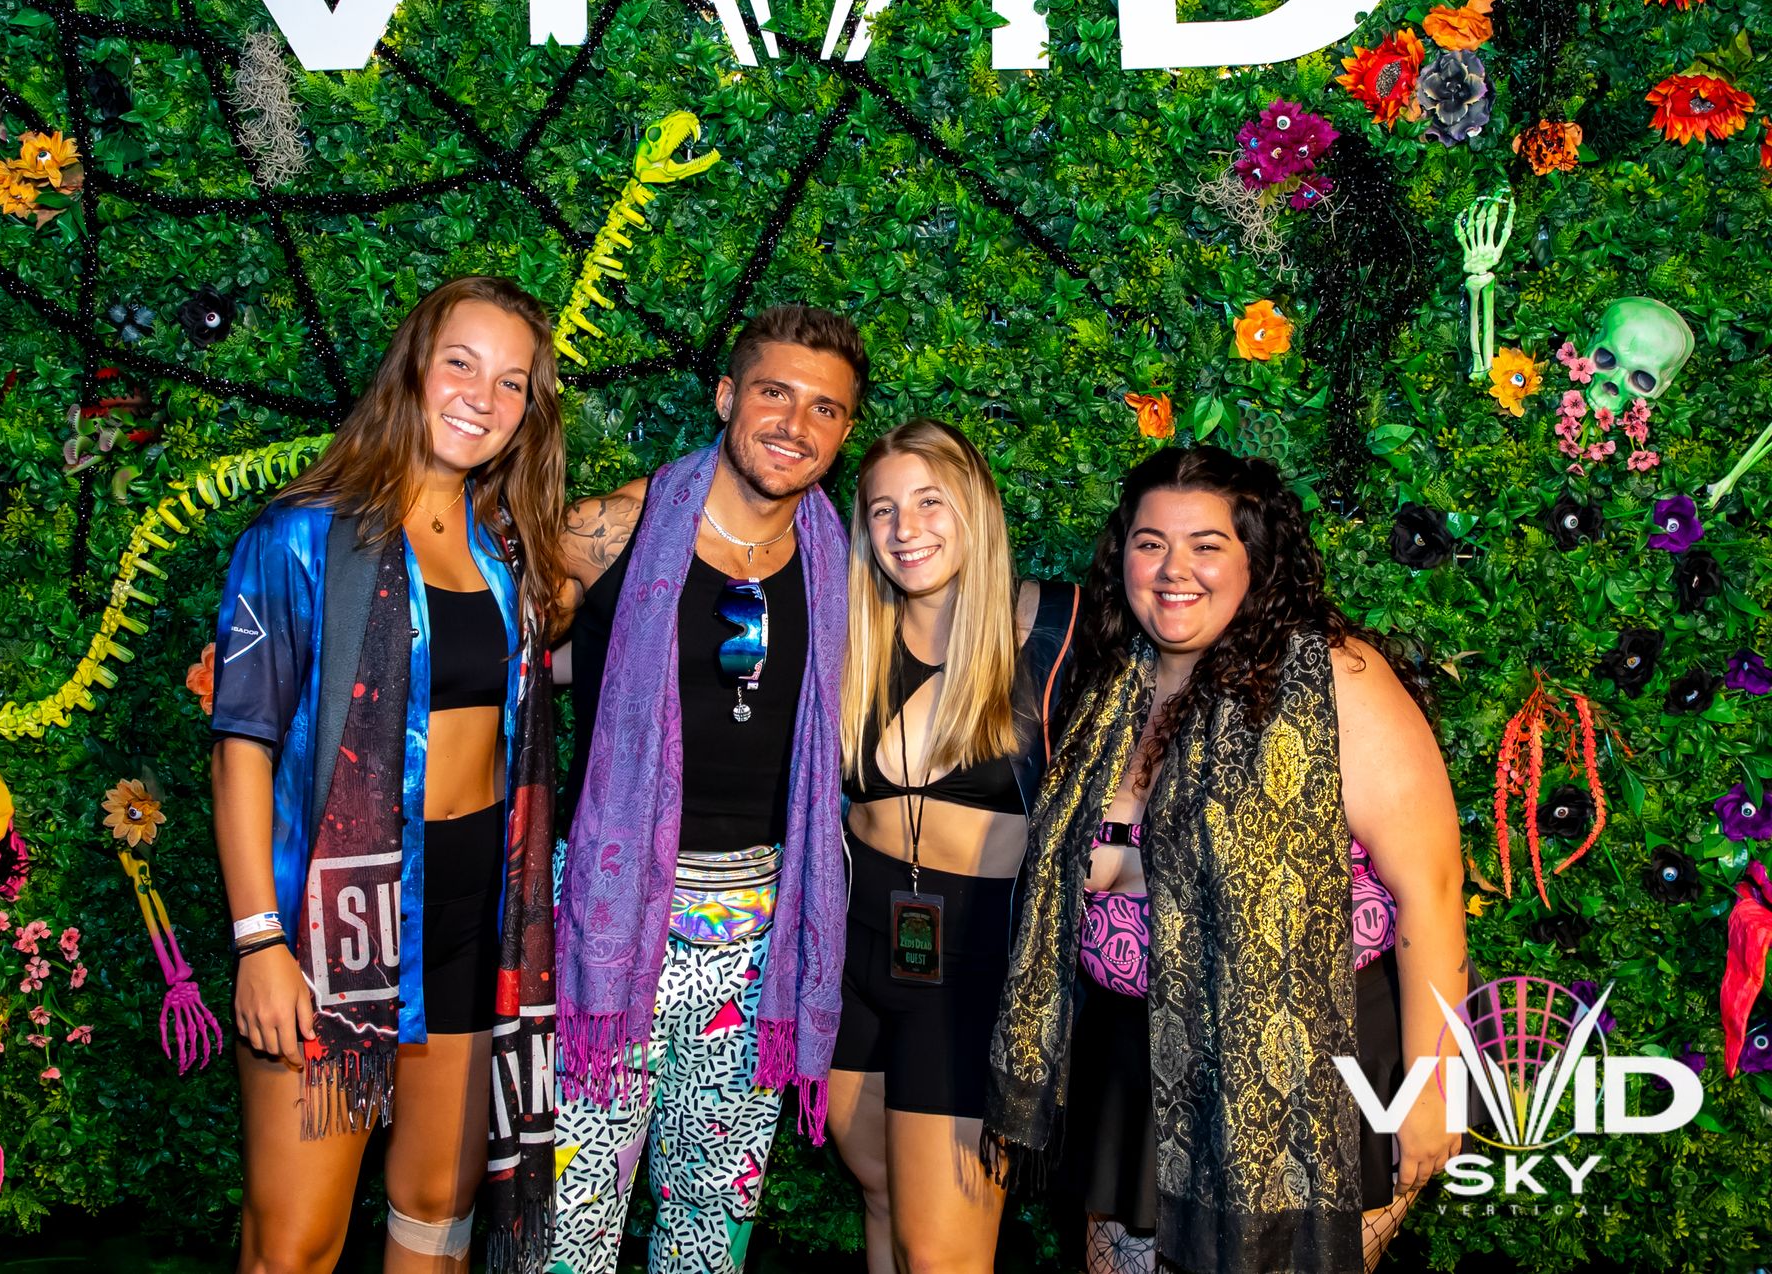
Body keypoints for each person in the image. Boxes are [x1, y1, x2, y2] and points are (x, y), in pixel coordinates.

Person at [986, 446, 1467, 1274]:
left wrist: (1434, 1084)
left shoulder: (1335, 679)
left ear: (1257, 559)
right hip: (1138, 1075)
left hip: (1308, 1075)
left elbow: (1432, 885)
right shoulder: (1114, 689)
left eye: (1206, 545)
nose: (1174, 569)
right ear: (1123, 557)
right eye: (1150, 544)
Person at [209, 276, 564, 1274]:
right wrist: (258, 940)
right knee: (294, 1244)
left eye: (511, 382)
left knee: (437, 1211)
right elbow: (242, 744)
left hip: (475, 917)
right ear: (411, 368)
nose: (481, 398)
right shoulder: (301, 537)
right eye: (460, 364)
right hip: (333, 929)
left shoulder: (504, 551)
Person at [552, 304, 866, 1274]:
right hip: (608, 922)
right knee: (568, 1218)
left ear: (843, 432)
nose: (795, 424)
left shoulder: (842, 560)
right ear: (728, 396)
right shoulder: (613, 528)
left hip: (757, 931)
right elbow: (485, 649)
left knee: (710, 1224)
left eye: (825, 408)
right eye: (774, 392)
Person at [828, 421, 1078, 1274]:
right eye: (884, 510)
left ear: (976, 508)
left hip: (974, 967)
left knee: (941, 1255)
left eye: (930, 502)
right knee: (882, 1198)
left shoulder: (1058, 629)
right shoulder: (850, 634)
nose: (906, 529)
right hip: (855, 956)